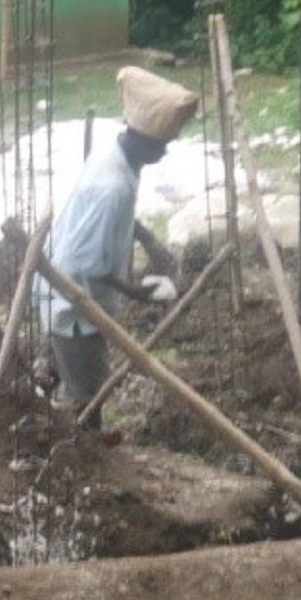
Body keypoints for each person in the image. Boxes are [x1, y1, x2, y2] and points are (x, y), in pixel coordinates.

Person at [34, 65, 198, 427]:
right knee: (88, 396)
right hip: (74, 305)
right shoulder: (114, 187)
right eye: (161, 146)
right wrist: (136, 292)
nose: (164, 153)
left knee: (70, 377)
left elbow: (106, 229)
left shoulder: (115, 155)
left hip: (64, 291)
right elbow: (84, 266)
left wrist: (146, 237)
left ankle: (54, 412)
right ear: (141, 139)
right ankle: (84, 462)